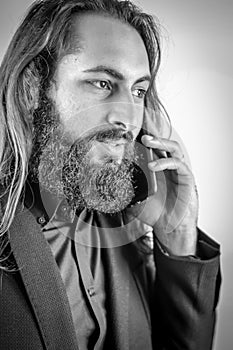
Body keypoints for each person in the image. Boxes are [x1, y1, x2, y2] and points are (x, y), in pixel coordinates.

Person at [0, 0, 221, 349]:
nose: (129, 119)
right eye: (103, 83)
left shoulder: (129, 234)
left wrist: (178, 235)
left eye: (138, 91)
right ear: (33, 89)